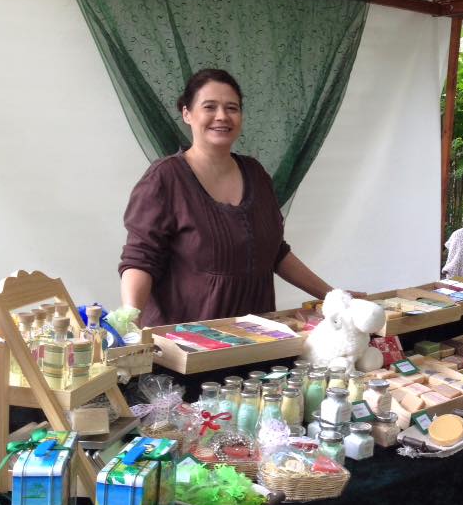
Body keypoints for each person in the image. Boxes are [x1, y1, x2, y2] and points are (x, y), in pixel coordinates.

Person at [119, 68, 339, 326]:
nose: (222, 116)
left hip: (257, 339)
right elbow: (140, 259)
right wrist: (129, 322)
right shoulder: (164, 178)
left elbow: (275, 253)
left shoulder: (255, 174)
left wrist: (333, 296)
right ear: (187, 113)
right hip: (187, 346)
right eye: (209, 107)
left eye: (232, 108)